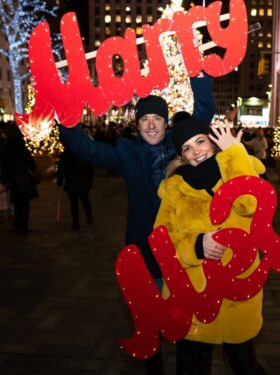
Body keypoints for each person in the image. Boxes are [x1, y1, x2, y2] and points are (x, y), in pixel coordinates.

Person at [59, 74, 215, 374]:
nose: (152, 125)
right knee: (149, 328)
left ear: (166, 122)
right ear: (137, 123)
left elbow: (203, 112)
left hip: (184, 254)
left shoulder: (178, 145)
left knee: (189, 325)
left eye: (158, 118)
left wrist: (198, 73)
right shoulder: (125, 152)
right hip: (144, 254)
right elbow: (86, 148)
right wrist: (66, 116)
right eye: (146, 119)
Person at [155, 117, 266, 375]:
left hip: (236, 290)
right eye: (187, 148)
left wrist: (233, 154)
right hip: (192, 295)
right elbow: (162, 238)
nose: (196, 151)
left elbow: (250, 204)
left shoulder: (240, 165)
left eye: (200, 141)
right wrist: (196, 245)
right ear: (182, 155)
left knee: (245, 365)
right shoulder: (174, 187)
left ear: (212, 141)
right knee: (189, 367)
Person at [0, 123, 39, 234]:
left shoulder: (7, 147)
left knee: (17, 202)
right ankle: (24, 224)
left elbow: (4, 163)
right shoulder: (21, 145)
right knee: (25, 203)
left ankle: (18, 222)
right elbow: (31, 162)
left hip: (14, 178)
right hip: (25, 178)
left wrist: (5, 178)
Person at [56, 140, 94, 229]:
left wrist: (60, 180)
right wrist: (90, 180)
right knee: (85, 200)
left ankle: (76, 222)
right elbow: (89, 168)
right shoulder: (81, 153)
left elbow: (61, 169)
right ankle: (89, 218)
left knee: (74, 203)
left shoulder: (65, 155)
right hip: (82, 180)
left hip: (71, 182)